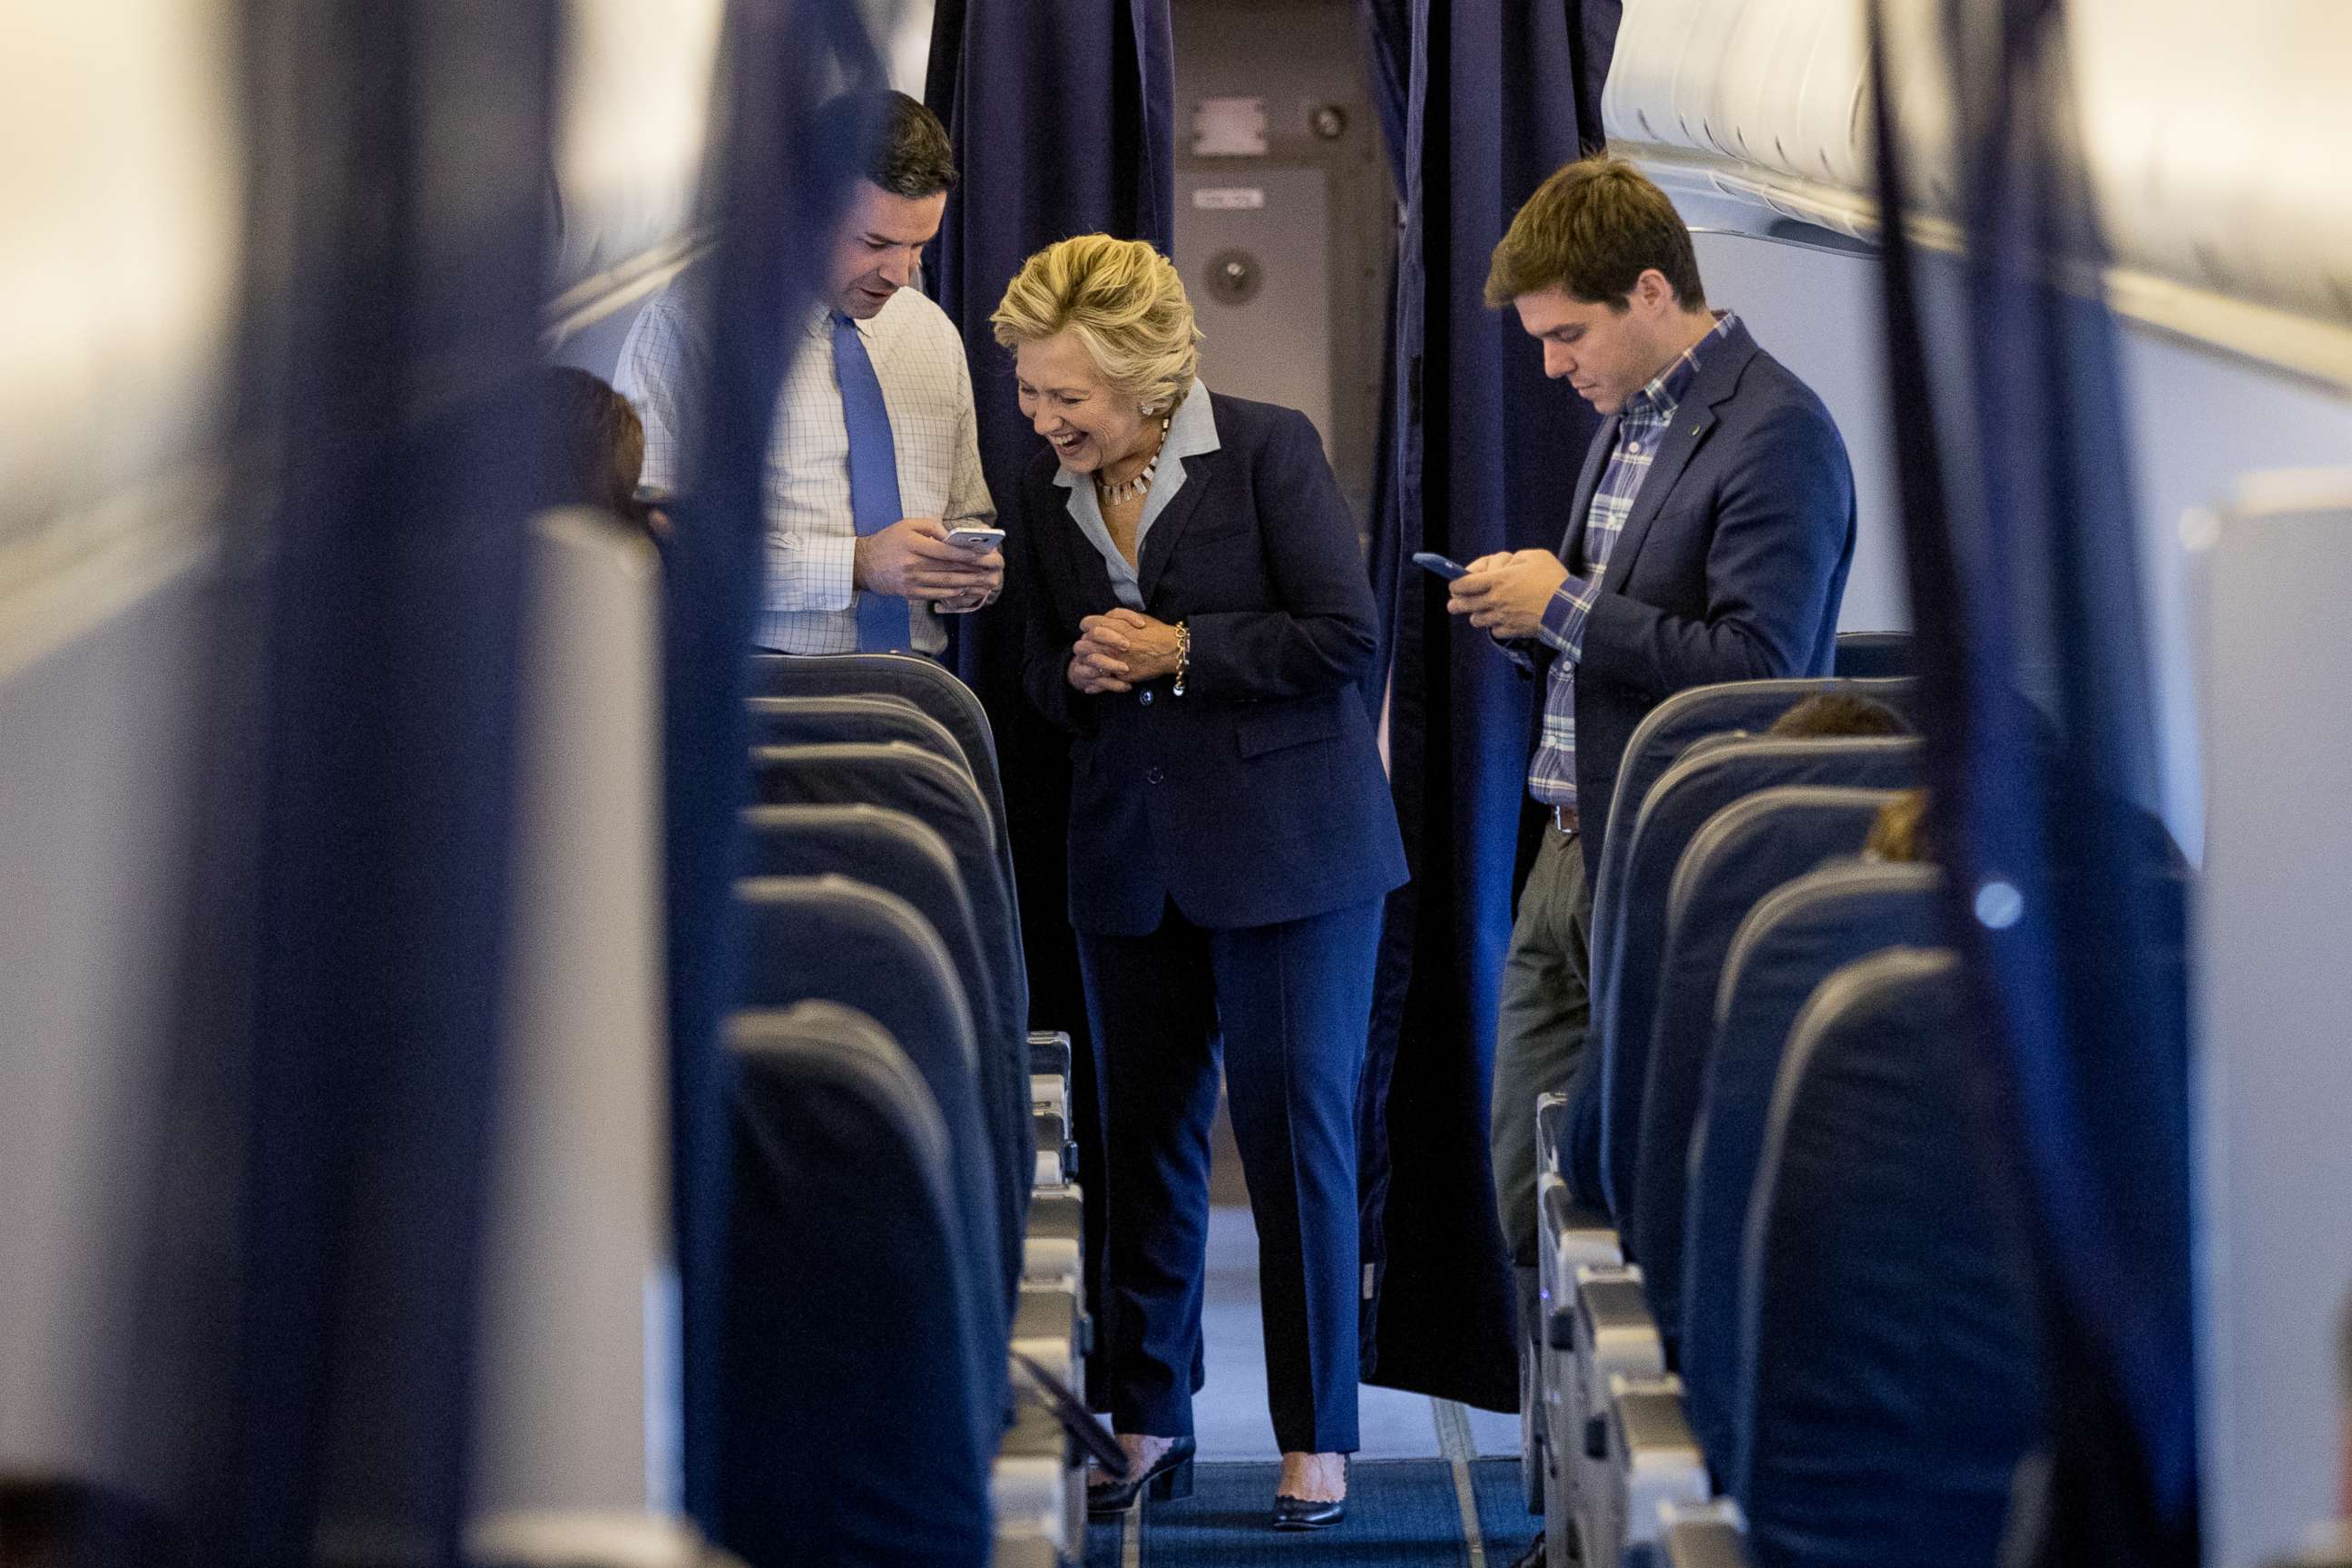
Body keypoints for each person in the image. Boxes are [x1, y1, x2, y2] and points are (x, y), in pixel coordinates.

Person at [1448, 156, 1857, 1568]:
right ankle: (1565, 1491)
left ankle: (1621, 1522)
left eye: (1568, 335)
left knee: (1632, 1197)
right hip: (1569, 848)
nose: (1556, 367)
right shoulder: (1632, 418)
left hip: (1679, 873)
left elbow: (1759, 673)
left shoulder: (1777, 436)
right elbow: (1624, 635)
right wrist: (1538, 621)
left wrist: (1563, 605)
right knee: (1529, 1186)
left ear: (1649, 291)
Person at [992, 234, 1406, 1531]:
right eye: (1030, 391)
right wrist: (1074, 674)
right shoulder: (1043, 488)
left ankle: (1318, 1438)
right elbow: (1027, 671)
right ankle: (1147, 1416)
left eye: (1069, 395)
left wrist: (1177, 650)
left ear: (1149, 381)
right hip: (1131, 853)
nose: (1044, 417)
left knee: (1295, 1143)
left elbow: (1346, 637)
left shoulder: (1268, 449)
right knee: (1141, 1145)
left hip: (1291, 853)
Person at [615, 89, 1001, 652]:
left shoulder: (932, 334)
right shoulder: (691, 329)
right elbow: (663, 541)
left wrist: (970, 573)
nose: (900, 273)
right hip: (766, 686)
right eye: (876, 243)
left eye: (919, 246)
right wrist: (857, 564)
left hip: (915, 691)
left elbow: (968, 510)